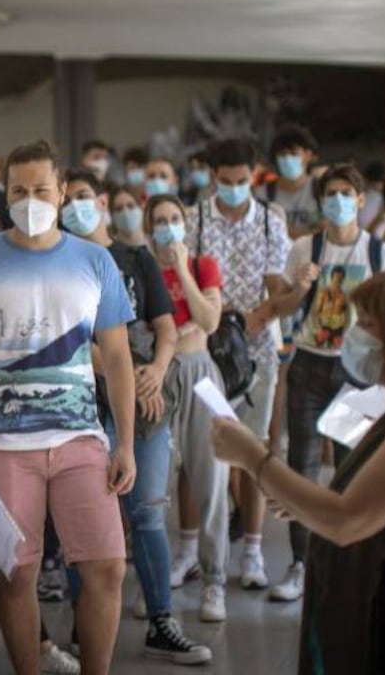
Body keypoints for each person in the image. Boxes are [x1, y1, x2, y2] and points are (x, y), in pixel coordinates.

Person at [210, 267, 385, 675]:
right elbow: (365, 504)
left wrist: (253, 456)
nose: (355, 337)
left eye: (369, 326)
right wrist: (300, 503)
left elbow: (346, 519)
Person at [0, 140, 137, 675]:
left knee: (108, 568)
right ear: (5, 192)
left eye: (41, 190)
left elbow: (116, 358)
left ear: (63, 192)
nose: (30, 200)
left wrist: (127, 445)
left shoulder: (96, 261)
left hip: (82, 441)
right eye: (18, 190)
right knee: (15, 575)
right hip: (1, 447)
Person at [62, 171, 212, 662]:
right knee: (83, 518)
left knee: (147, 510)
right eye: (69, 200)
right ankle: (85, 624)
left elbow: (166, 325)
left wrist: (153, 373)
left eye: (84, 197)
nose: (76, 207)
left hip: (145, 402)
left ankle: (162, 620)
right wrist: (123, 375)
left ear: (102, 202)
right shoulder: (58, 263)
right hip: (83, 403)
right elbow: (68, 342)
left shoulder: (136, 258)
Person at [263, 164, 385, 602]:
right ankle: (302, 563)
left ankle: (349, 558)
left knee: (353, 467)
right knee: (302, 464)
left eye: (347, 193)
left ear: (361, 200)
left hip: (360, 372)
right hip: (308, 366)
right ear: (321, 202)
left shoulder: (381, 255)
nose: (338, 200)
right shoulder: (305, 247)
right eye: (331, 194)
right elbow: (280, 308)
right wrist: (301, 289)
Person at [184, 138, 292, 590]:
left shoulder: (271, 221)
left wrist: (255, 319)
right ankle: (192, 550)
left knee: (252, 452)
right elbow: (184, 281)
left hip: (257, 352)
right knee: (198, 453)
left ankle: (252, 552)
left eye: (241, 181)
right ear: (212, 178)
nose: (233, 189)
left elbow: (278, 287)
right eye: (224, 182)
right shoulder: (195, 219)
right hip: (204, 350)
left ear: (255, 174)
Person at [145, 194, 230, 621]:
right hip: (158, 378)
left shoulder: (202, 266)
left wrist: (180, 268)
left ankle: (215, 581)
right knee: (155, 486)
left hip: (200, 376)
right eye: (159, 221)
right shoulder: (142, 271)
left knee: (211, 479)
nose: (167, 227)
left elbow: (210, 321)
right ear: (148, 228)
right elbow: (146, 331)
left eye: (174, 219)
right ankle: (156, 587)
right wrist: (183, 329)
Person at [267, 124, 322, 239]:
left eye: (294, 153)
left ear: (308, 155)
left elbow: (328, 231)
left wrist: (284, 230)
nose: (288, 159)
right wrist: (310, 232)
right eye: (282, 154)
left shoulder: (321, 189)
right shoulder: (262, 194)